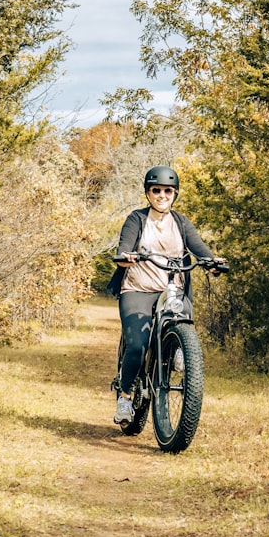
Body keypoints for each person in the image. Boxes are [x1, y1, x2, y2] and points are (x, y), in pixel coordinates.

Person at [106, 165, 223, 425]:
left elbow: (199, 248)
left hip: (172, 290)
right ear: (148, 193)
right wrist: (126, 257)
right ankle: (125, 397)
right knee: (137, 344)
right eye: (155, 190)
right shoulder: (137, 219)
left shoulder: (181, 223)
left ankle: (178, 349)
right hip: (138, 289)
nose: (162, 195)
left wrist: (211, 261)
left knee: (184, 320)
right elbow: (125, 246)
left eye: (167, 191)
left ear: (175, 193)